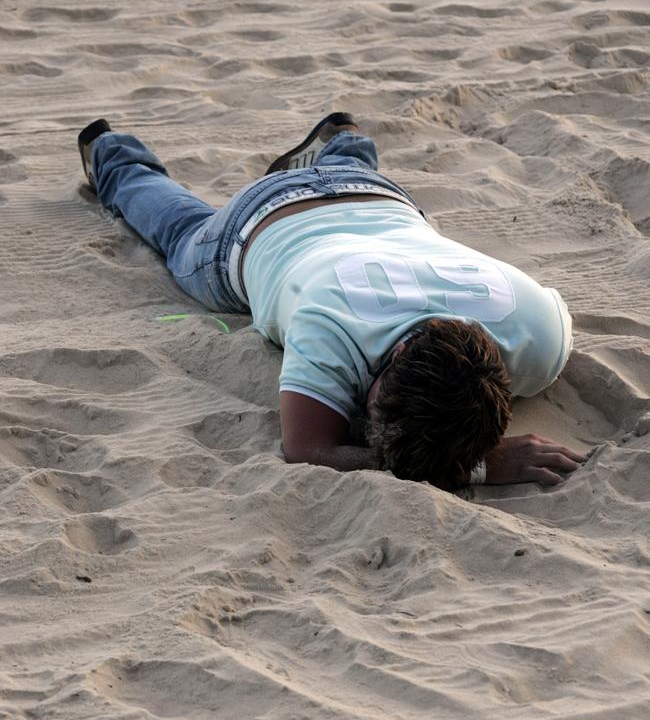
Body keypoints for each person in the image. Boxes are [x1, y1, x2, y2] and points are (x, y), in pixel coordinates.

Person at [77, 113, 586, 489]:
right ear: (400, 354)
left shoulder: (539, 330)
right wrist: (476, 466)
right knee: (182, 234)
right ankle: (113, 155)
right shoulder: (330, 325)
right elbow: (307, 450)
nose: (362, 418)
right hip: (258, 222)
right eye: (374, 405)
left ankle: (345, 143)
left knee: (350, 180)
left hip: (378, 195)